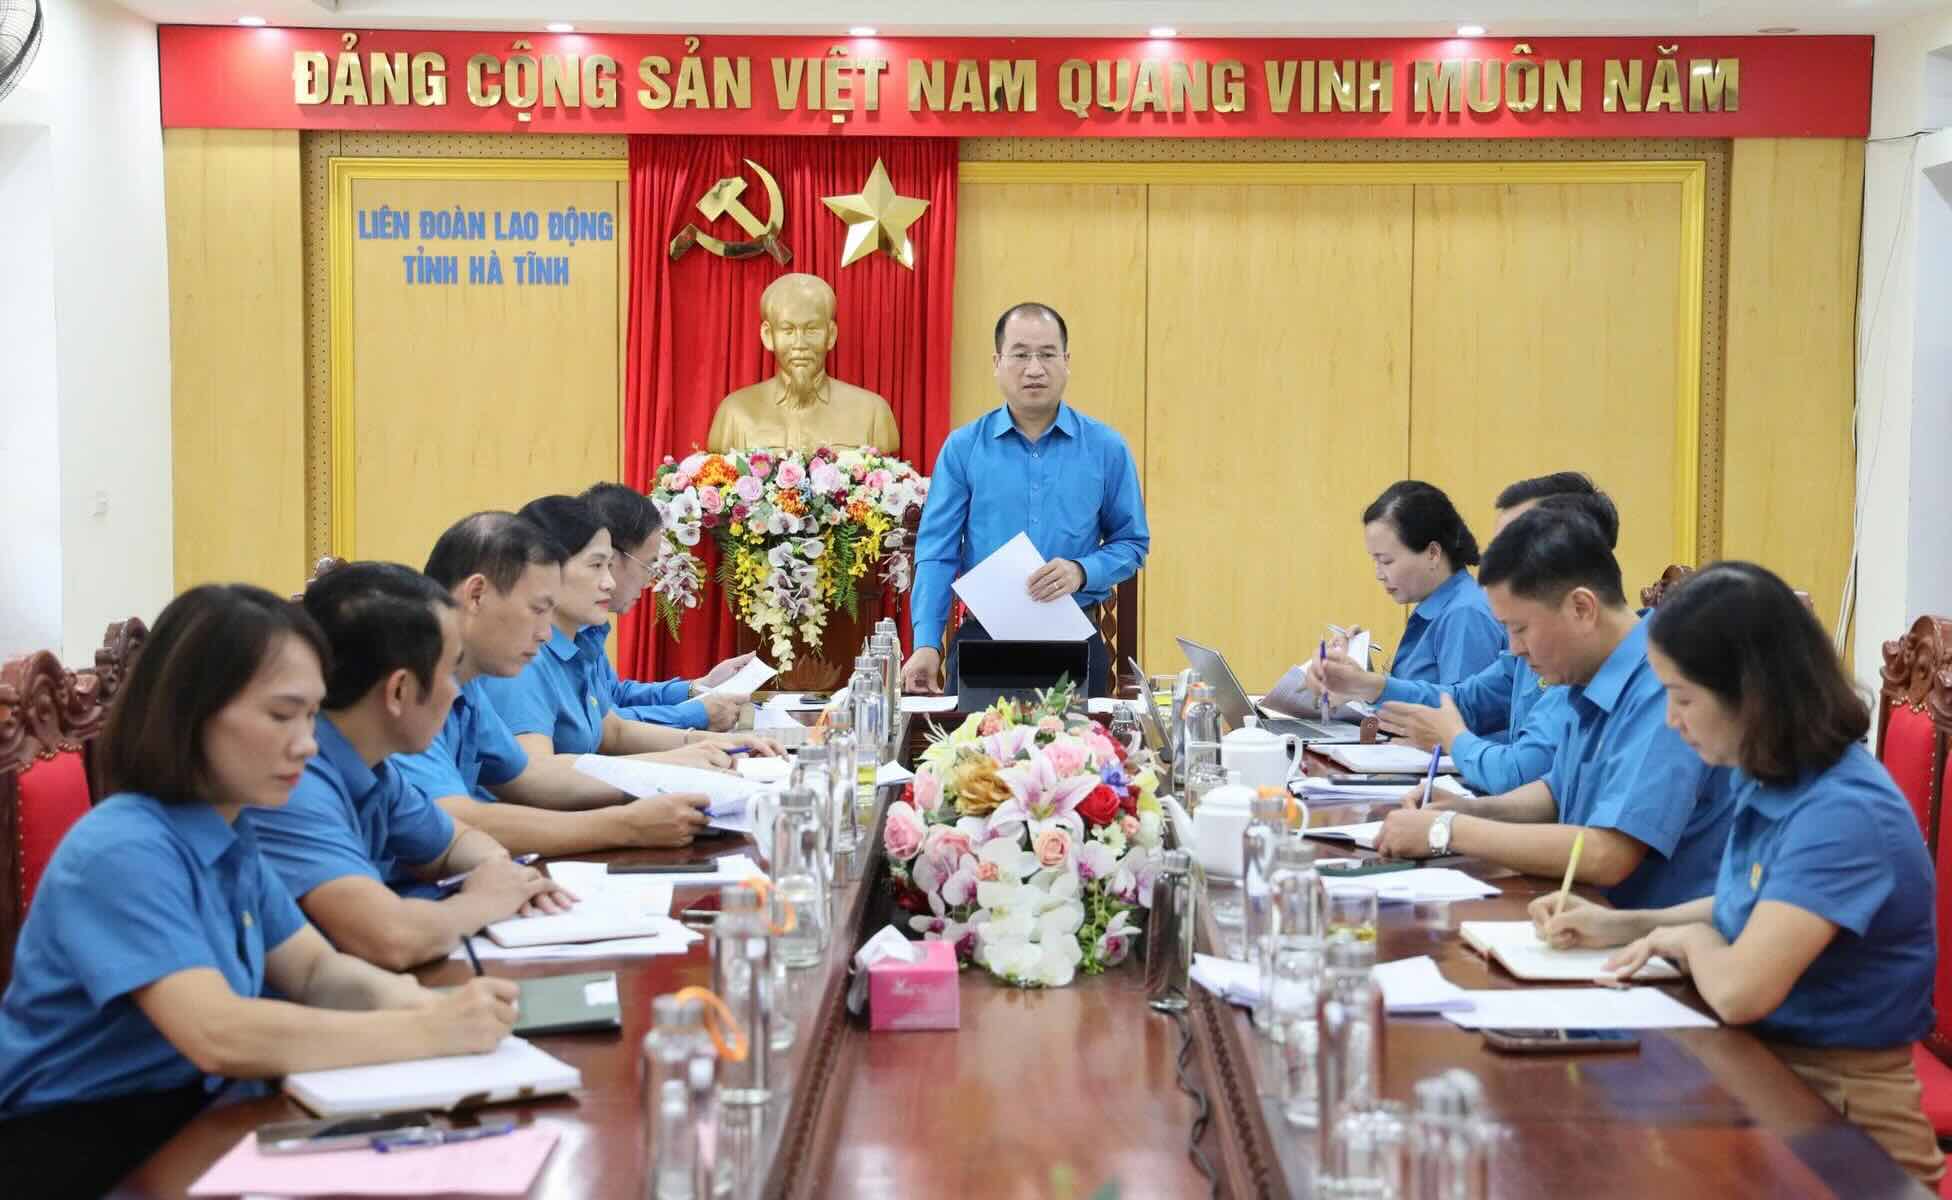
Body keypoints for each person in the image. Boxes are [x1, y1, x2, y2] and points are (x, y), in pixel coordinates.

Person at [0, 586, 517, 1198]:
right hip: (86, 1152)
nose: (307, 743)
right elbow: (218, 1033)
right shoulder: (122, 848)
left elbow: (317, 972)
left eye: (311, 715)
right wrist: (429, 1033)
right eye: (281, 715)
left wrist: (430, 1006)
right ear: (191, 713)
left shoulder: (228, 828)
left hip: (200, 1120)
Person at [1532, 563, 1944, 1187]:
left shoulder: (1841, 813)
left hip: (1840, 1123)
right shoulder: (1774, 772)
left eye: (1683, 699)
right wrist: (1621, 926)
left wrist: (1691, 941)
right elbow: (1745, 903)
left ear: (1750, 694)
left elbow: (1739, 990)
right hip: (1766, 1073)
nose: (1671, 721)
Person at [1375, 505, 1735, 911]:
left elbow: (1608, 854)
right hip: (1581, 914)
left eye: (1520, 629)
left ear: (1582, 608)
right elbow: (1557, 792)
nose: (1514, 649)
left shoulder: (1664, 682)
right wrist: (1471, 809)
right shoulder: (1589, 671)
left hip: (1649, 934)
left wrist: (1449, 830)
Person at [244, 562, 575, 971]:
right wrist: (485, 901)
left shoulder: (374, 768)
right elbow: (389, 938)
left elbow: (453, 843)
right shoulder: (293, 781)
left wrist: (497, 872)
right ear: (399, 690)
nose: (455, 691)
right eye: (450, 672)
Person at [391, 511, 719, 855]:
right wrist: (627, 825)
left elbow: (528, 778)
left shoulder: (466, 684)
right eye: (537, 610)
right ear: (476, 595)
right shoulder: (409, 679)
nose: (546, 633)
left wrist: (667, 774)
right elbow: (446, 820)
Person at [1306, 474, 1613, 794]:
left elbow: (1518, 771)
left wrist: (1452, 743)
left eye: (1514, 551)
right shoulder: (1532, 649)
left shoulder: (1574, 661)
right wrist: (1363, 683)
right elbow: (1466, 701)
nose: (1497, 566)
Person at [902, 302, 1149, 698]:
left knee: (1080, 742)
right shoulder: (963, 448)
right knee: (969, 741)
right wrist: (927, 643)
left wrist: (1082, 571)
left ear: (1066, 362)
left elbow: (1132, 544)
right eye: (1020, 354)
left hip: (1075, 638)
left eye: (1047, 354)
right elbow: (936, 552)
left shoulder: (1106, 448)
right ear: (997, 362)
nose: (1034, 369)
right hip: (984, 639)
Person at [476, 495, 781, 809]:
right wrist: (672, 766)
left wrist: (708, 743)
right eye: (596, 566)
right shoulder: (526, 655)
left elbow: (612, 731)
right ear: (545, 569)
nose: (609, 583)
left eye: (609, 566)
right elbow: (535, 774)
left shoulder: (577, 643)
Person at [580, 481, 758, 733]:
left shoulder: (590, 625)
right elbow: (601, 725)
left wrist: (700, 686)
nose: (648, 581)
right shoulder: (552, 632)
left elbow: (614, 694)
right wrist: (695, 714)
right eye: (647, 566)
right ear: (610, 557)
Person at [706, 272, 901, 454]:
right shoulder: (734, 413)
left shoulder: (872, 413)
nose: (800, 344)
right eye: (788, 330)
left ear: (831, 335)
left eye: (812, 330)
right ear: (768, 335)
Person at [1352, 480, 1505, 689]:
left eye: (1386, 561)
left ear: (1433, 553)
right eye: (1375, 560)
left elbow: (1460, 706)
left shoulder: (1464, 614)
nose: (1379, 574)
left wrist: (1369, 686)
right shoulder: (1440, 607)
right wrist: (1360, 675)